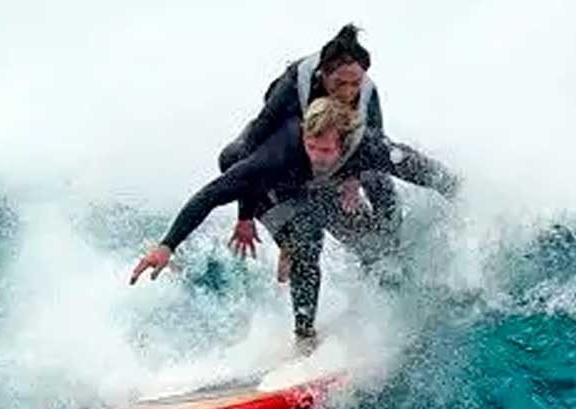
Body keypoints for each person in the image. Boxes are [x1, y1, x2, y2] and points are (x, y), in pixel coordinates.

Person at [130, 97, 458, 352]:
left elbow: (421, 169)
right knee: (306, 242)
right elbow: (212, 194)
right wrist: (167, 244)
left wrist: (463, 194)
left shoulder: (367, 146)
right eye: (311, 146)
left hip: (315, 188)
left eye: (326, 149)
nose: (317, 154)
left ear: (344, 143)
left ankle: (371, 301)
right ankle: (304, 335)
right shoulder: (278, 154)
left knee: (373, 241)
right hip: (270, 188)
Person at [219, 24, 398, 276]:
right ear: (323, 74)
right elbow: (252, 147)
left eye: (354, 83)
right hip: (296, 153)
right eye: (339, 83)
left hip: (340, 151)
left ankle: (389, 259)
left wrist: (353, 179)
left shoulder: (365, 90)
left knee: (380, 181)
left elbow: (376, 144)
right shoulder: (293, 88)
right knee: (236, 159)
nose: (347, 92)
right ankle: (288, 243)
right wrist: (244, 215)